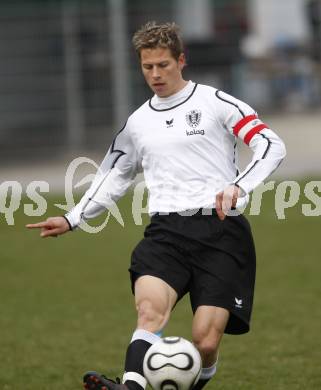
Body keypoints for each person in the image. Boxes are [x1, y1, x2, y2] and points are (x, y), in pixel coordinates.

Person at [27, 21, 286, 390]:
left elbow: (270, 144)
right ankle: (131, 387)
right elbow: (114, 175)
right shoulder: (138, 123)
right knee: (149, 312)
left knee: (206, 341)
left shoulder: (215, 103)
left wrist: (239, 186)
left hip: (221, 232)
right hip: (166, 233)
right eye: (147, 67)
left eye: (163, 65)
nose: (155, 74)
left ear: (181, 60)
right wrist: (73, 218)